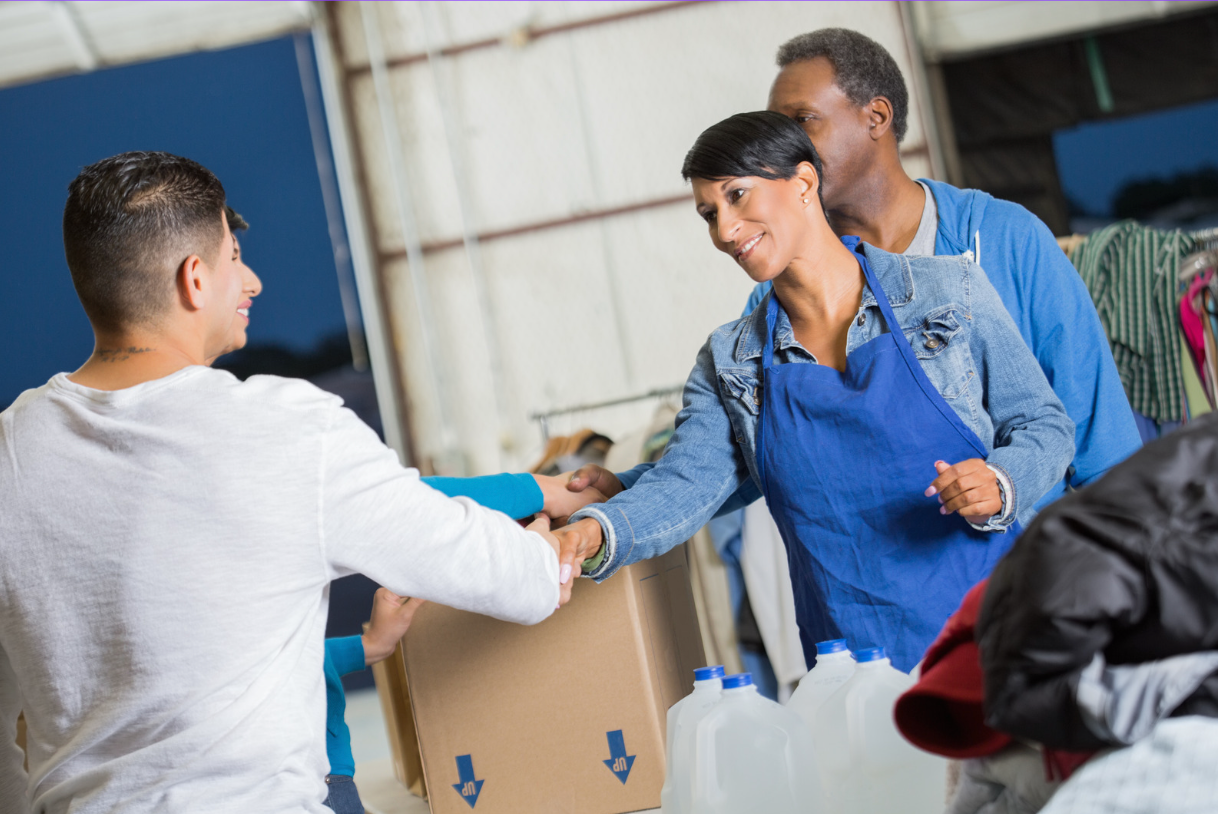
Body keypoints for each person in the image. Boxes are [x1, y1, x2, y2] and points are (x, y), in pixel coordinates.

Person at [0, 151, 580, 814]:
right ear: (195, 279)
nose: (253, 281)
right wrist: (554, 534)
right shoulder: (287, 430)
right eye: (234, 256)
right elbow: (521, 583)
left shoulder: (10, 450)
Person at [556, 112, 1075, 672]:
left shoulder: (947, 293)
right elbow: (689, 484)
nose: (725, 231)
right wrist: (594, 532)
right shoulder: (733, 362)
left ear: (803, 183)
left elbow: (1044, 425)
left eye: (737, 196)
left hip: (1000, 637)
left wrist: (1002, 481)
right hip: (852, 670)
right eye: (710, 214)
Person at [564, 28, 1140, 530]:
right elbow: (746, 457)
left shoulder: (1001, 240)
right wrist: (628, 490)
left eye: (802, 121)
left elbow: (1095, 431)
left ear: (877, 117)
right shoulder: (775, 297)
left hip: (1043, 567)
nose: (782, 146)